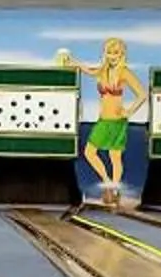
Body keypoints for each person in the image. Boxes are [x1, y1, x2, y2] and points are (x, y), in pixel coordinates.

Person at [60, 38, 146, 207]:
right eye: (109, 52)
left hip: (117, 121)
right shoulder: (103, 70)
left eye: (116, 53)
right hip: (103, 120)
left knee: (115, 157)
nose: (112, 56)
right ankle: (107, 182)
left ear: (121, 55)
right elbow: (89, 70)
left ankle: (114, 190)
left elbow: (142, 94)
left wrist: (129, 111)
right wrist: (74, 62)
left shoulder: (124, 72)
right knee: (89, 152)